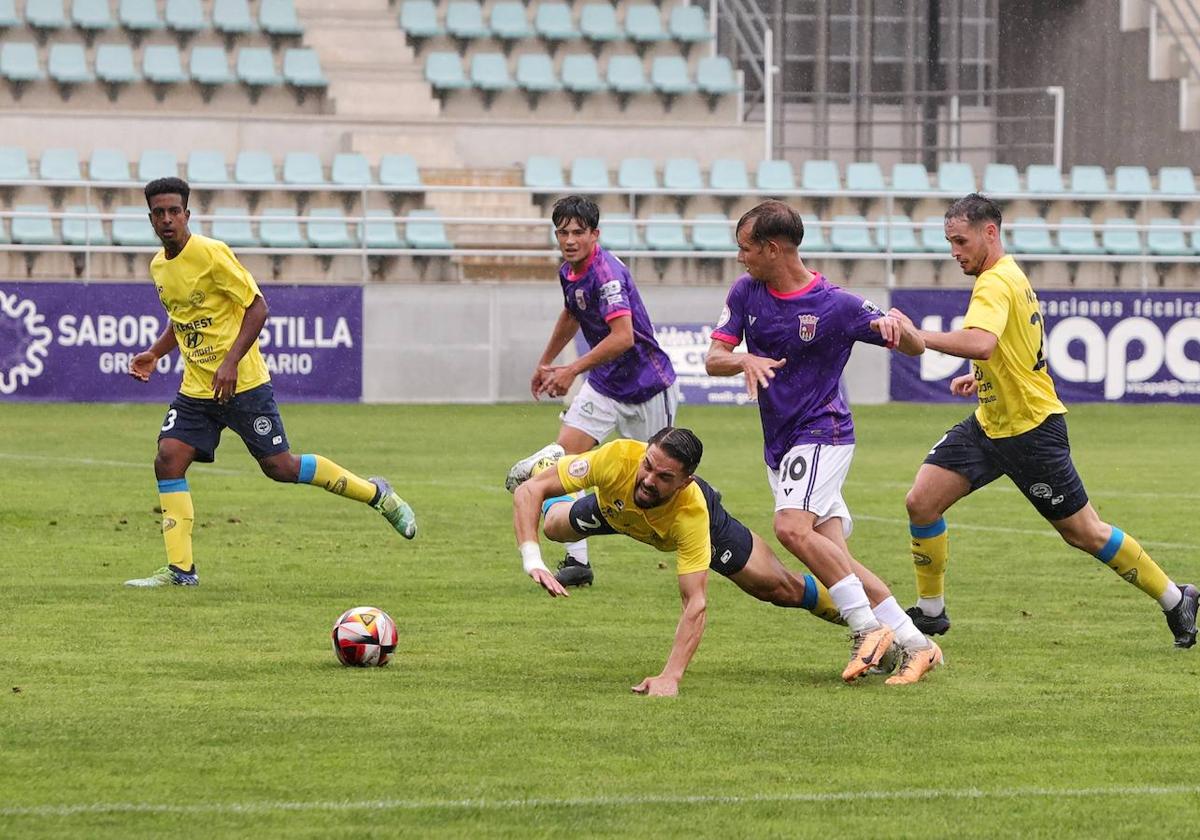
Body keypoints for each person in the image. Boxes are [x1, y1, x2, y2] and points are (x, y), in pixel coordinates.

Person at [890, 192, 1198, 647]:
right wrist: (980, 378)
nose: (954, 252)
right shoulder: (1011, 275)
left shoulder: (994, 282)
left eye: (960, 241)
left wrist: (919, 335)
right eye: (949, 242)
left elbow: (982, 342)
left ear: (989, 233)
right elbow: (1010, 346)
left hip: (1031, 431)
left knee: (1084, 532)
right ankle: (931, 613)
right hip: (990, 423)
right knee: (921, 501)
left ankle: (1176, 597)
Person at [123, 177, 416, 587]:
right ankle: (180, 570)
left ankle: (376, 494)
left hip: (242, 383)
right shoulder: (159, 266)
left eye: (175, 211)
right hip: (197, 389)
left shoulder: (211, 254)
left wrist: (230, 362)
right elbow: (184, 318)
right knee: (168, 458)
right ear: (151, 218)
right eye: (159, 212)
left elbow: (258, 307)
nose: (168, 219)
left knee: (280, 467)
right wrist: (156, 352)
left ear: (188, 214)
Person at [704, 199, 940, 685]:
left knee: (790, 529)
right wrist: (743, 360)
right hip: (782, 441)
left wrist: (903, 329)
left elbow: (915, 347)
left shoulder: (837, 305)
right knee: (838, 558)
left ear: (772, 249)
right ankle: (918, 645)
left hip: (824, 431)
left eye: (745, 248)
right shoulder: (747, 292)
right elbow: (713, 358)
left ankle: (866, 629)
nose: (740, 257)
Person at [512, 427, 855, 697]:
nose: (648, 479)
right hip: (616, 509)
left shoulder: (692, 515)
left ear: (685, 481)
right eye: (648, 465)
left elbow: (695, 603)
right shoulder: (617, 458)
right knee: (555, 527)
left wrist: (670, 676)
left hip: (691, 527)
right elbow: (529, 492)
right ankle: (548, 464)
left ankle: (866, 625)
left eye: (664, 477)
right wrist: (533, 560)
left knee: (779, 588)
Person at [506, 194, 678, 589]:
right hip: (603, 386)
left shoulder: (607, 274)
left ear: (594, 234)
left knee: (660, 482)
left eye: (578, 232)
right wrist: (547, 362)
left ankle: (708, 523)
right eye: (562, 232)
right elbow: (572, 312)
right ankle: (577, 560)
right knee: (561, 463)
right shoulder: (569, 271)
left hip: (646, 388)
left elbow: (622, 337)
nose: (569, 240)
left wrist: (571, 370)